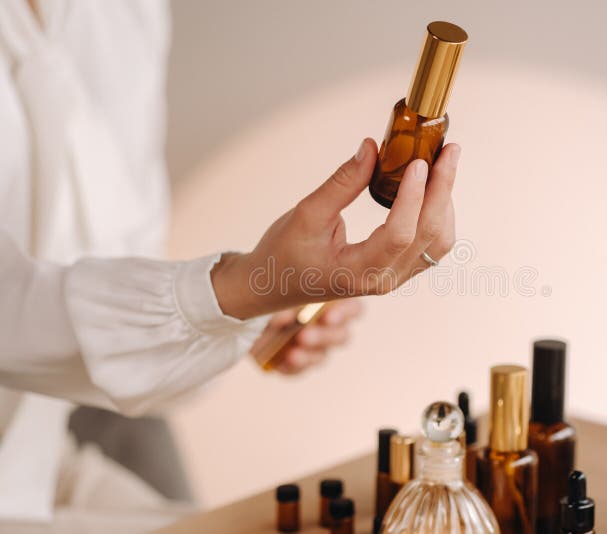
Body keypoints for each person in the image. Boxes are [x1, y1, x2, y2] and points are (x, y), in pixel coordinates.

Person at [0, 1, 459, 531]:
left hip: (42, 468)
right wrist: (240, 289)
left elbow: (109, 284)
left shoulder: (127, 15)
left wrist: (252, 311)